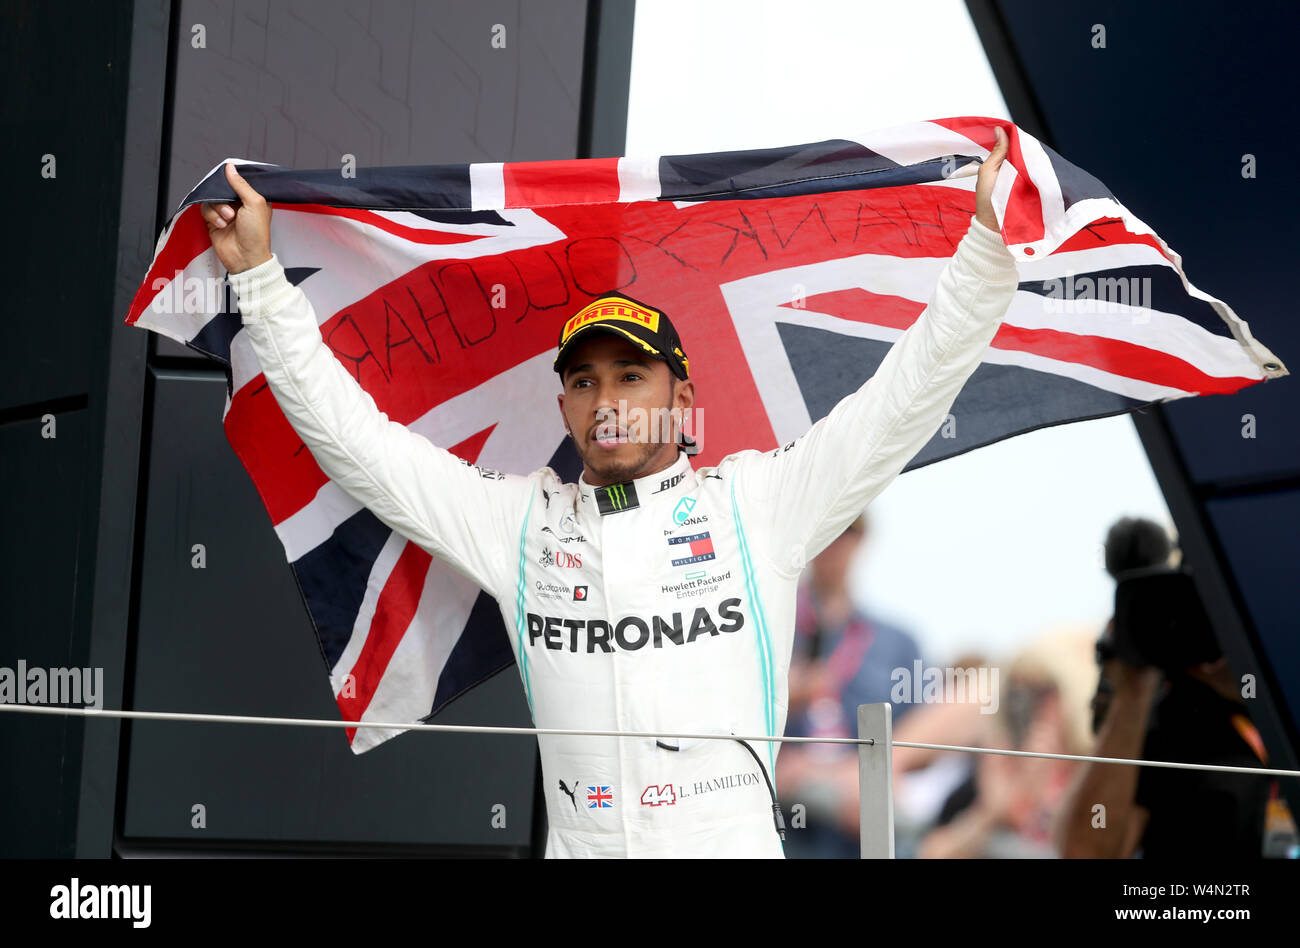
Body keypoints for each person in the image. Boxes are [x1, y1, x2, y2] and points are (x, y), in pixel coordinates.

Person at [200, 126, 1018, 858]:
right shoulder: (519, 525)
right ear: (566, 409)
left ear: (682, 400)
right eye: (586, 382)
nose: (609, 400)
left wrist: (984, 252)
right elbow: (359, 447)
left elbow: (903, 399)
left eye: (633, 374)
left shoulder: (758, 505)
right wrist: (265, 285)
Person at [778, 514, 926, 858]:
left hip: (863, 834)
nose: (833, 543)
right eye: (824, 528)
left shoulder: (898, 643)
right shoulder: (768, 628)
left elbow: (927, 745)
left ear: (861, 540)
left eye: (846, 529)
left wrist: (875, 773)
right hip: (783, 831)